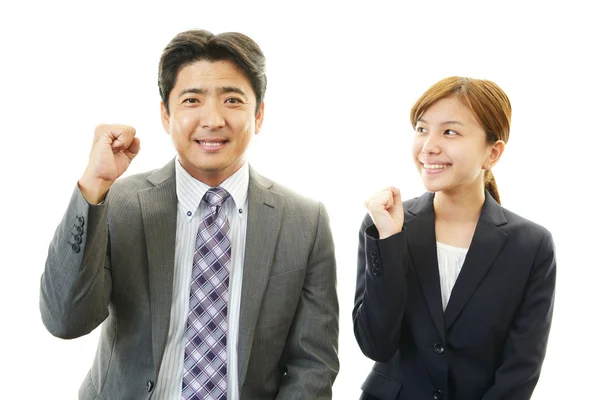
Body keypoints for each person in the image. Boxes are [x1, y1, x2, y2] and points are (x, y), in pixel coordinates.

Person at [40, 29, 339, 400]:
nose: (212, 119)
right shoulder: (120, 203)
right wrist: (94, 186)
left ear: (259, 115)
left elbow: (313, 363)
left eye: (232, 100)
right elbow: (65, 320)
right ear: (166, 115)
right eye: (192, 100)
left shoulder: (305, 222)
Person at [353, 76, 556, 400]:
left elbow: (520, 371)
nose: (429, 145)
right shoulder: (385, 225)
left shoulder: (531, 245)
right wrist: (390, 242)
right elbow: (375, 344)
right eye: (421, 129)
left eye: (450, 131)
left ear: (493, 153)